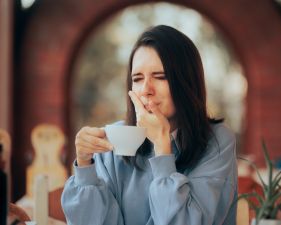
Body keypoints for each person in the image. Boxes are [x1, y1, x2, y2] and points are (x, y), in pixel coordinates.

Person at [61, 25, 237, 225]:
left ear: (187, 81)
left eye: (160, 76)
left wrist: (162, 149)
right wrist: (85, 166)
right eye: (137, 79)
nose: (146, 90)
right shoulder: (115, 138)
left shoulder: (217, 141)